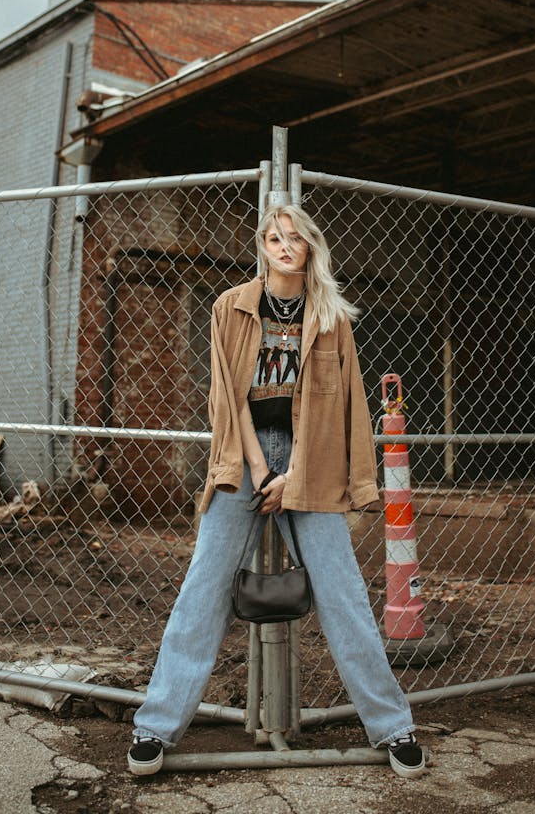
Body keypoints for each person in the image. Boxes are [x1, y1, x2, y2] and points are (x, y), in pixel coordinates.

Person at [128, 204, 425, 779]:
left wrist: (301, 477)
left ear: (310, 247)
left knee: (344, 597)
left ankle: (394, 728)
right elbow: (227, 396)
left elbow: (345, 407)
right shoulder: (230, 306)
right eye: (272, 237)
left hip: (310, 463)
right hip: (245, 459)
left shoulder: (332, 317)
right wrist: (263, 470)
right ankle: (155, 728)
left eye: (293, 238)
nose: (283, 245)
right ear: (261, 246)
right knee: (203, 589)